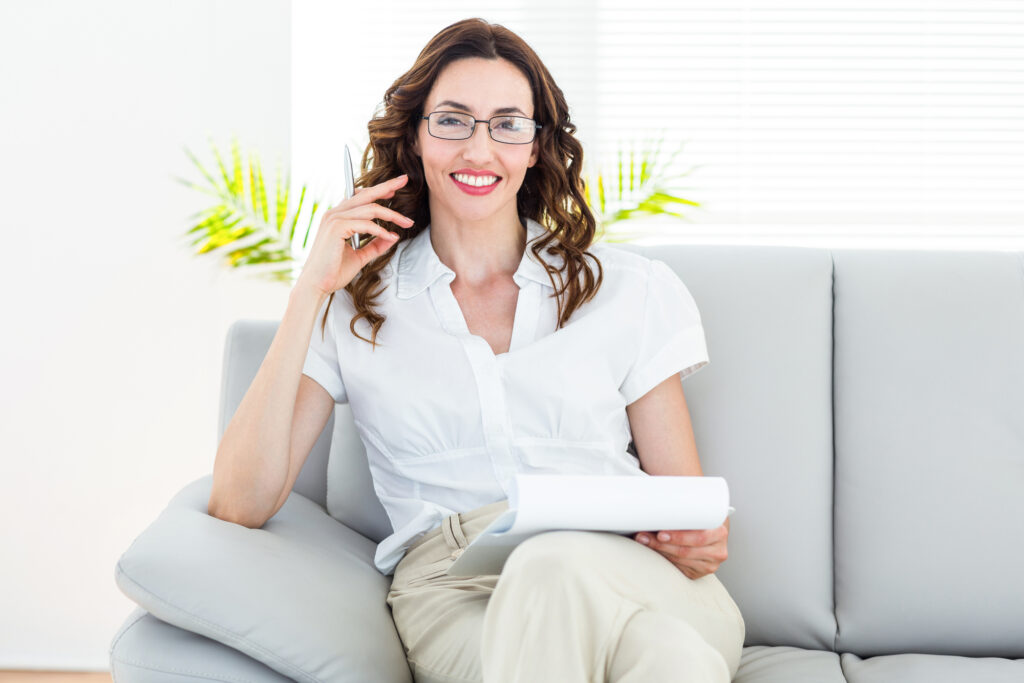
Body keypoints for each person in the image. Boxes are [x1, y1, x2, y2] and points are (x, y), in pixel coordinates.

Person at [208, 16, 745, 683]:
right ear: (415, 135)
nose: (479, 148)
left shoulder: (627, 289)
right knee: (670, 660)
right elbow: (239, 501)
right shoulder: (352, 304)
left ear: (536, 147)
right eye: (453, 120)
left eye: (508, 124)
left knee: (577, 580)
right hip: (456, 590)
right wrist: (311, 288)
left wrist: (695, 536)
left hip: (625, 571)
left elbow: (683, 506)